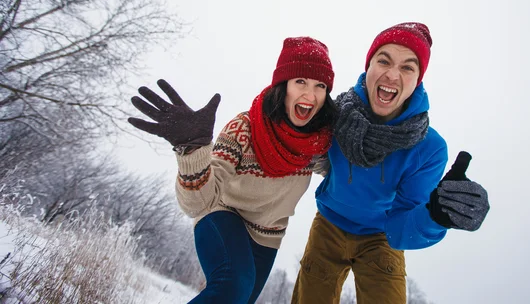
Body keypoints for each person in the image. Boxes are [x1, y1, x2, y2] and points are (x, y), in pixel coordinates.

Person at [128, 37, 337, 304]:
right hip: (223, 215)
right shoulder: (245, 128)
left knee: (241, 298)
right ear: (283, 85)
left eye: (320, 85)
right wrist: (192, 150)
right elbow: (197, 203)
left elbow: (344, 175)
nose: (310, 95)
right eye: (300, 82)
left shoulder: (316, 144)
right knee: (234, 285)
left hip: (268, 236)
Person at [291, 23, 490, 304]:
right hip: (328, 225)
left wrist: (436, 215)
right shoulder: (335, 116)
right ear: (368, 67)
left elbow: (400, 229)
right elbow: (294, 137)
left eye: (408, 67)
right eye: (383, 60)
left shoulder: (429, 149)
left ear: (418, 80)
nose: (392, 74)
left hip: (381, 237)